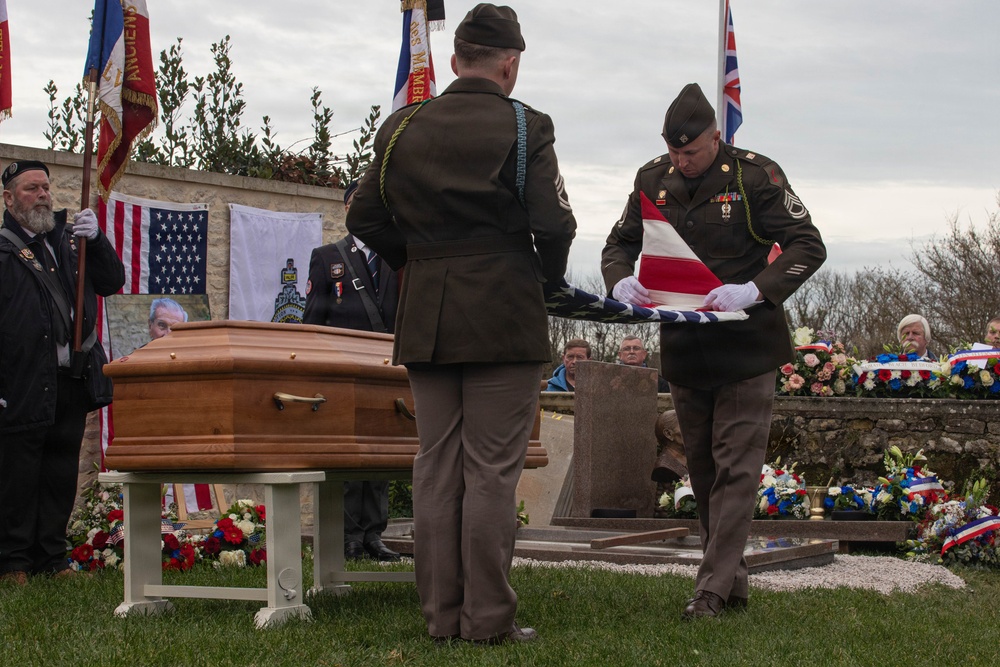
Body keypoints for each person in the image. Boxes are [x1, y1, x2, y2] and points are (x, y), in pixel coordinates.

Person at [346, 3, 576, 644]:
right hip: (503, 310)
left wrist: (416, 263)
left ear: (454, 61)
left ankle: (441, 618)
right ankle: (487, 621)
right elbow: (553, 223)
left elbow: (363, 217)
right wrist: (546, 280)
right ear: (511, 63)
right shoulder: (527, 126)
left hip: (427, 313)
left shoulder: (400, 126)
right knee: (491, 472)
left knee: (436, 466)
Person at [602, 83, 826, 619]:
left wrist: (755, 289)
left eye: (693, 151)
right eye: (676, 151)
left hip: (747, 346)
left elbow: (807, 244)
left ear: (716, 137)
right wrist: (618, 281)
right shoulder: (651, 178)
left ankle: (710, 590)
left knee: (737, 469)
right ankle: (732, 584)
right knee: (701, 470)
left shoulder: (754, 177)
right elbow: (619, 243)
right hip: (685, 345)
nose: (684, 161)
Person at [0, 160, 126, 585]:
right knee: (19, 474)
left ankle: (52, 560)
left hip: (70, 377)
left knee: (59, 471)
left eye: (45, 187)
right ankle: (13, 562)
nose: (42, 195)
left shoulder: (72, 240)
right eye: (31, 188)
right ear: (9, 198)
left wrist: (100, 241)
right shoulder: (2, 248)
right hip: (21, 380)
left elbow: (111, 281)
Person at [303, 180, 401, 563]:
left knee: (379, 454)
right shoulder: (328, 256)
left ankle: (374, 534)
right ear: (347, 210)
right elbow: (314, 316)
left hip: (384, 367)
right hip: (341, 369)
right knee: (346, 454)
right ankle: (346, 535)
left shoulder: (396, 256)